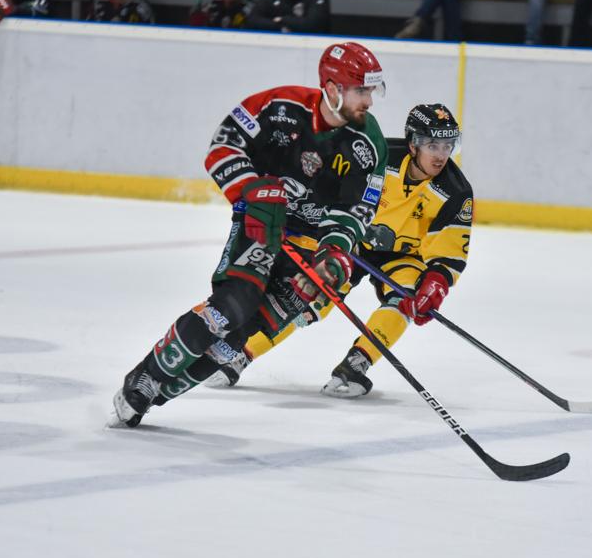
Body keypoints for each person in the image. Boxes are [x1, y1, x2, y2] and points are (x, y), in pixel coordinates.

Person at [110, 41, 389, 428]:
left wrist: (335, 252)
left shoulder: (368, 143)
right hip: (263, 223)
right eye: (362, 90)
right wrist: (251, 190)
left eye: (372, 91)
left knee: (238, 338)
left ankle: (157, 397)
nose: (369, 101)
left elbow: (354, 209)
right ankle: (147, 377)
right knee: (232, 306)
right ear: (332, 88)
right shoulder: (278, 106)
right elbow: (222, 146)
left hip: (309, 246)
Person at [204, 104, 472, 398]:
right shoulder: (380, 158)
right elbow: (334, 191)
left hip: (403, 257)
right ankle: (243, 352)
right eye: (432, 145)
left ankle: (357, 363)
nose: (441, 154)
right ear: (413, 143)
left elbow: (449, 251)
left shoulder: (456, 191)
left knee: (406, 296)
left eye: (448, 145)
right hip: (351, 240)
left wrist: (437, 282)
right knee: (309, 296)